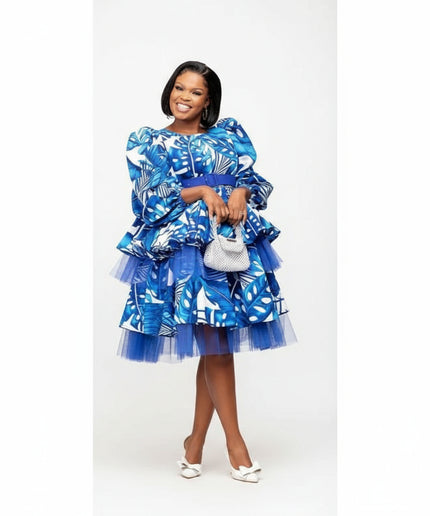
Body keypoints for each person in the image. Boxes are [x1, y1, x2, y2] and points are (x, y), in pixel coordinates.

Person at [111, 60, 297, 483]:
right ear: (169, 90)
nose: (184, 97)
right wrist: (202, 191)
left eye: (195, 92)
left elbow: (251, 179)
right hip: (187, 249)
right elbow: (148, 200)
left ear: (208, 99)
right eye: (179, 87)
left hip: (230, 242)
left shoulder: (228, 133)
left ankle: (194, 443)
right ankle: (236, 447)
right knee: (216, 343)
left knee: (216, 344)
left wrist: (240, 192)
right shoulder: (149, 140)